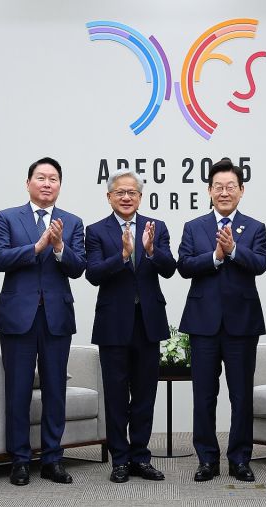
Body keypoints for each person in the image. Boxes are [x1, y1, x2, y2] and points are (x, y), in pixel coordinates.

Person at [0, 157, 86, 486]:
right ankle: (19, 459)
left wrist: (59, 247)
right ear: (28, 182)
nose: (47, 183)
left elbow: (78, 267)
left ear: (60, 185)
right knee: (17, 391)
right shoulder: (7, 217)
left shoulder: (72, 222)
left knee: (55, 391)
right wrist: (37, 246)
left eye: (53, 179)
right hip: (18, 318)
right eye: (41, 177)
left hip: (56, 317)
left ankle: (52, 459)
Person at [177, 158, 266, 483]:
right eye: (219, 187)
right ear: (209, 191)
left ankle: (240, 459)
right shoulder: (194, 227)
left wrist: (233, 250)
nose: (225, 192)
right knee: (204, 395)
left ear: (241, 191)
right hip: (203, 323)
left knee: (241, 396)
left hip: (242, 324)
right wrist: (216, 256)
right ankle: (207, 459)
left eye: (231, 186)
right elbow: (184, 265)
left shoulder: (255, 227)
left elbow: (261, 263)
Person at [85, 169, 176, 483]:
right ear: (109, 196)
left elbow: (170, 268)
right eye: (120, 193)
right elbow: (93, 273)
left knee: (144, 395)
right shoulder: (96, 230)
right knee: (115, 396)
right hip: (113, 324)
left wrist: (150, 251)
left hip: (148, 323)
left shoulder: (156, 227)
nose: (126, 197)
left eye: (132, 192)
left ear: (140, 196)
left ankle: (141, 457)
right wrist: (123, 255)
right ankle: (120, 460)